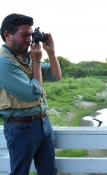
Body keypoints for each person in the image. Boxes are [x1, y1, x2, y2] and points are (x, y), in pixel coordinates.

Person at [0, 13, 62, 175]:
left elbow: (56, 76)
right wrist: (36, 61)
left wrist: (51, 52)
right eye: (24, 35)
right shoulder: (3, 62)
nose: (29, 40)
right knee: (20, 172)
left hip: (43, 122)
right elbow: (34, 94)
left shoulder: (27, 56)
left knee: (49, 171)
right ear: (7, 35)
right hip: (20, 127)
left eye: (30, 35)